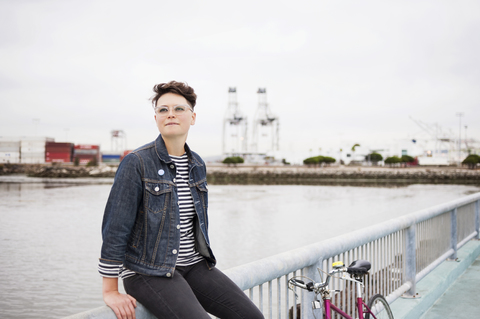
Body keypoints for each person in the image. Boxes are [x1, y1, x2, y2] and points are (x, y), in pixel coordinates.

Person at [98, 81, 264, 319]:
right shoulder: (137, 162)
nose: (170, 114)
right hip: (148, 271)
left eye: (179, 109)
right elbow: (115, 227)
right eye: (163, 110)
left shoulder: (197, 163)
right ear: (155, 118)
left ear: (192, 117)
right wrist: (111, 290)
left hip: (194, 265)